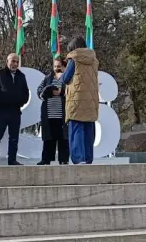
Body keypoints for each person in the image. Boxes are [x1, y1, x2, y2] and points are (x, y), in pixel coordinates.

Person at [60, 36, 100, 164]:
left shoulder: (74, 59)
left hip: (76, 99)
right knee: (88, 129)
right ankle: (88, 158)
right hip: (91, 99)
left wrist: (63, 72)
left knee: (76, 128)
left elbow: (66, 78)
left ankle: (78, 158)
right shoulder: (94, 60)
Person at [0, 53, 30, 166]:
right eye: (12, 61)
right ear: (7, 61)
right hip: (1, 110)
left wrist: (21, 102)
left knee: (14, 137)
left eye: (16, 61)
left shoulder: (21, 76)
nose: (14, 64)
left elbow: (26, 92)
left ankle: (12, 160)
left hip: (15, 111)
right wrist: (1, 97)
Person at [38, 56, 70, 165]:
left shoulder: (67, 79)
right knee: (48, 139)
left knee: (63, 139)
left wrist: (61, 92)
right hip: (49, 115)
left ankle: (64, 160)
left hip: (62, 115)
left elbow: (71, 92)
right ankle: (46, 159)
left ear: (64, 67)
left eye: (59, 66)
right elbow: (39, 91)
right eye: (55, 66)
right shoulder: (48, 78)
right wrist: (47, 91)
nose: (57, 68)